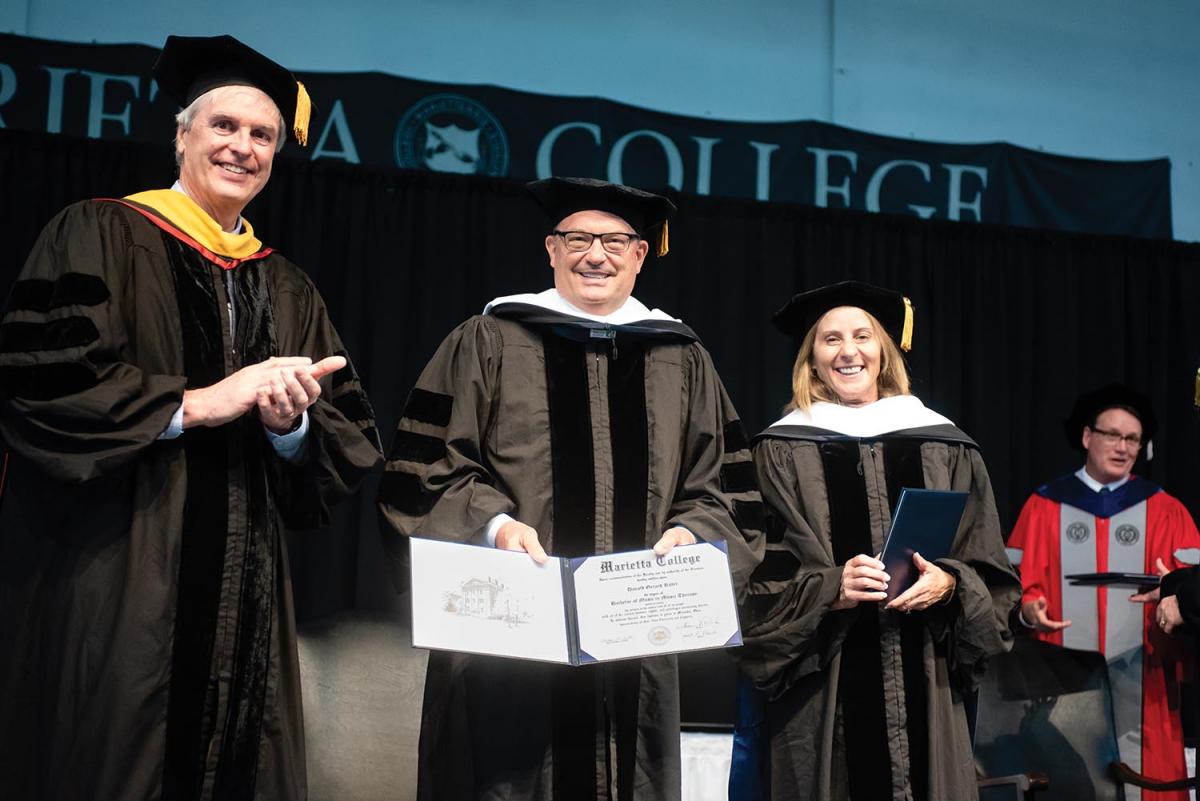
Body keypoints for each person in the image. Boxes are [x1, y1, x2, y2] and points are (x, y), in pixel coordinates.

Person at [0, 35, 382, 801]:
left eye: (263, 135)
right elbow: (41, 388)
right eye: (225, 127)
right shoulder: (98, 234)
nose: (243, 147)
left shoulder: (291, 287)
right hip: (116, 579)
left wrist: (289, 427)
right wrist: (197, 403)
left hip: (248, 605)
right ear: (182, 135)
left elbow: (343, 447)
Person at [377, 176, 763, 801]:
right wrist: (495, 527)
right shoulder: (488, 339)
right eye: (578, 238)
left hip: (638, 639)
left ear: (640, 255)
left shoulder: (682, 357)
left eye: (615, 241)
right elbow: (424, 471)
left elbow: (725, 488)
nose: (596, 255)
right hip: (508, 638)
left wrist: (692, 532)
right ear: (551, 249)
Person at [733, 280, 1019, 801]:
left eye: (862, 336)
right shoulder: (778, 451)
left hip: (926, 681)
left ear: (884, 352)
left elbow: (992, 575)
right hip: (820, 697)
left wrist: (950, 585)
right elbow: (752, 583)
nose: (848, 352)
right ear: (812, 359)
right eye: (830, 340)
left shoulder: (944, 443)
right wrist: (829, 589)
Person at [1008, 383, 1200, 800]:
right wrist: (1027, 607)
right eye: (1112, 435)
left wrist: (1177, 592)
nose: (1122, 446)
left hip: (1145, 675)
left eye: (1132, 439)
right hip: (1060, 675)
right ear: (1087, 436)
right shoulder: (1044, 505)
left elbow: (1191, 589)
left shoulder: (1166, 509)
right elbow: (1017, 583)